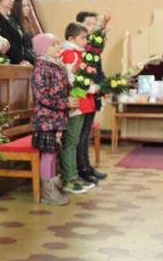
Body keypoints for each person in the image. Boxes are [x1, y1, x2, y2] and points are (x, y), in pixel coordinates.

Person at [31, 33, 75, 206]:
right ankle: (47, 193)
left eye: (58, 43)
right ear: (43, 49)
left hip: (58, 118)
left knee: (53, 153)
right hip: (46, 119)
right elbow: (42, 97)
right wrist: (65, 103)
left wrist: (72, 95)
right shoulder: (41, 68)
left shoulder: (57, 66)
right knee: (48, 154)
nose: (59, 47)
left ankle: (52, 186)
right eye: (54, 44)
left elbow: (63, 90)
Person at [60, 22, 97, 195]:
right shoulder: (68, 54)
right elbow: (73, 80)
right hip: (74, 103)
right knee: (71, 140)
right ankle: (69, 178)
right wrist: (92, 88)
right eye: (83, 38)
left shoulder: (78, 54)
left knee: (75, 141)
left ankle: (74, 175)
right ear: (71, 38)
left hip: (81, 102)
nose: (86, 41)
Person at [75, 11, 108, 183]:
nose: (92, 27)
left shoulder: (94, 47)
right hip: (83, 95)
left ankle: (87, 167)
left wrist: (106, 85)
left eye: (94, 24)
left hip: (94, 94)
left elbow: (99, 71)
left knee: (86, 134)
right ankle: (82, 170)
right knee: (81, 135)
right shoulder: (80, 50)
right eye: (88, 24)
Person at [0, 0, 34, 65]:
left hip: (14, 60)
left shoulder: (6, 18)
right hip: (4, 60)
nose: (12, 0)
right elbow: (8, 40)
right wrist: (20, 60)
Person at [11, 0, 37, 64]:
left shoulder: (27, 22)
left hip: (30, 57)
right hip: (22, 59)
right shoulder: (13, 22)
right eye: (23, 6)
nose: (27, 8)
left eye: (28, 5)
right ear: (17, 8)